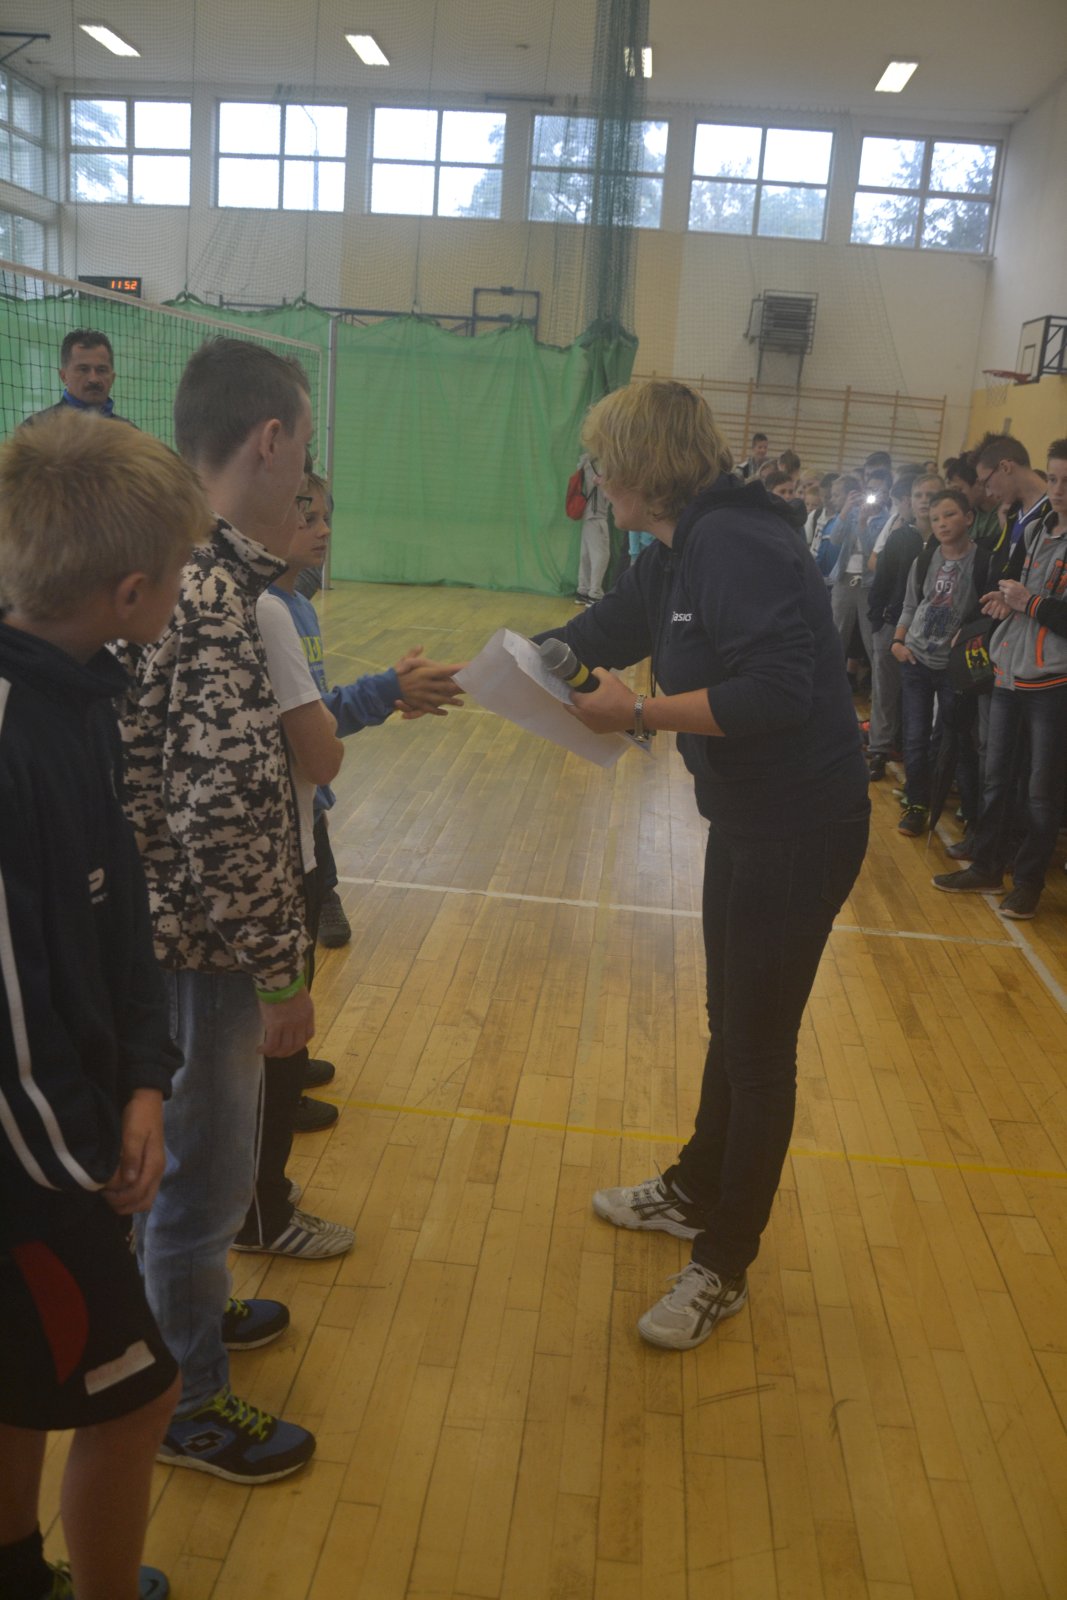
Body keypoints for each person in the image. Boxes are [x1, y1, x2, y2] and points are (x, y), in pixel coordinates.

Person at [537, 381, 869, 1351]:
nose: (597, 477)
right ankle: (692, 1189)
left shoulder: (735, 541)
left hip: (801, 826)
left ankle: (723, 1261)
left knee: (758, 1049)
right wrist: (505, 664)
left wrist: (637, 711)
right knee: (733, 1021)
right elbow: (599, 632)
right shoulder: (675, 551)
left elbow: (776, 690)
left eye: (606, 462)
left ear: (644, 468)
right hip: (747, 816)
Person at [0, 412, 212, 1600]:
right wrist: (85, 1162)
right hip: (33, 1169)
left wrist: (144, 1074)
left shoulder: (82, 692)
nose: (181, 588)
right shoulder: (12, 737)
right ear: (132, 593)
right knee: (137, 1399)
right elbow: (9, 1015)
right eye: (177, 572)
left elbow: (118, 907)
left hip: (69, 1132)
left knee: (22, 1375)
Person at [115, 338, 318, 1485]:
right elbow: (224, 809)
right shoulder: (212, 589)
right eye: (304, 448)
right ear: (269, 440)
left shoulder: (188, 569)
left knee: (189, 1176)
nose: (307, 478)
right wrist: (282, 972)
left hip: (172, 928)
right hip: (203, 944)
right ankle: (188, 1400)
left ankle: (185, 1304)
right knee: (202, 1177)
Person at [932, 439, 1067, 918]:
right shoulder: (1037, 530)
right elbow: (1018, 589)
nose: (1058, 490)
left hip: (1052, 682)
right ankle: (986, 865)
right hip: (1009, 672)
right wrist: (1004, 602)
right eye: (1054, 478)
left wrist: (1029, 602)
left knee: (1041, 793)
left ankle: (1028, 884)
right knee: (996, 777)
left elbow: (1049, 608)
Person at [890, 489, 987, 838]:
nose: (942, 523)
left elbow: (988, 612)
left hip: (954, 668)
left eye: (949, 515)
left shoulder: (984, 561)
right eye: (935, 518)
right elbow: (910, 605)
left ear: (968, 517)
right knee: (915, 737)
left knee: (956, 738)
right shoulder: (924, 559)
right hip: (915, 658)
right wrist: (897, 642)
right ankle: (917, 803)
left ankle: (968, 807)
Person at [23, 329, 131, 427]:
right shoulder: (36, 429)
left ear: (112, 378)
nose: (93, 379)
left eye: (101, 370)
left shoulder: (129, 434)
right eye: (83, 369)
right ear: (64, 376)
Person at [575, 450, 611, 605]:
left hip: (587, 515)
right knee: (601, 556)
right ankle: (595, 593)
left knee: (586, 555)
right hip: (597, 516)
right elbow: (607, 493)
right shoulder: (603, 465)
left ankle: (583, 590)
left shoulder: (585, 463)